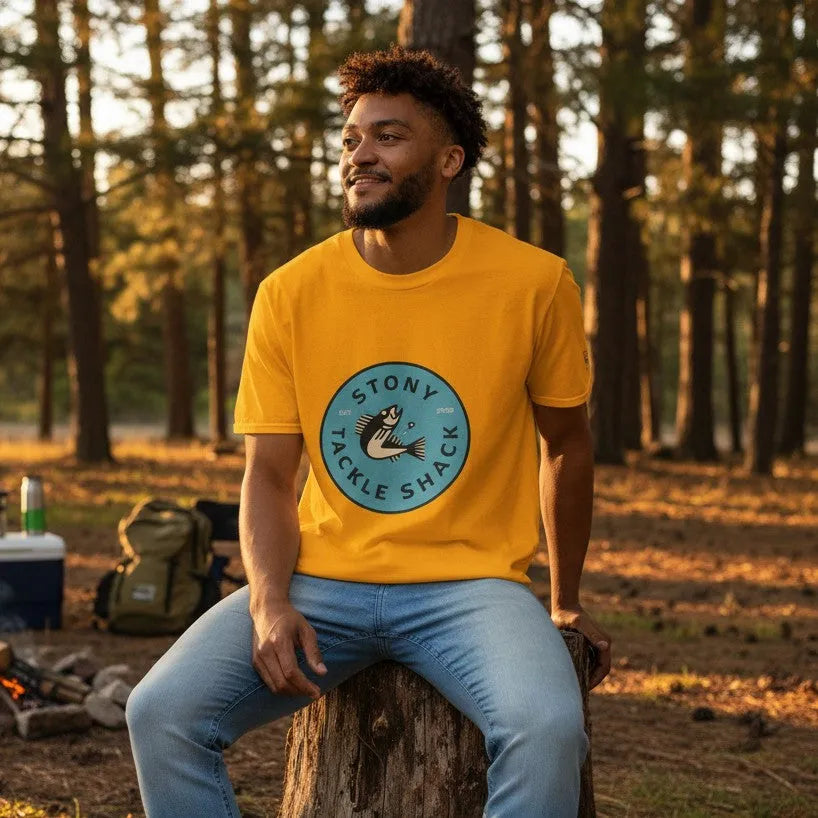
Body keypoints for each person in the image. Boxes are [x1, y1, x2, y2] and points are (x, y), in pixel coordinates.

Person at [126, 45, 612, 818]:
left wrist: (565, 599)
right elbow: (271, 477)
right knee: (161, 714)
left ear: (449, 160)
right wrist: (269, 602)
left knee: (547, 727)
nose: (361, 155)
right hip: (325, 584)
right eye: (351, 138)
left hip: (473, 587)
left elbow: (567, 444)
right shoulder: (290, 292)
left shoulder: (533, 283)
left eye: (388, 136)